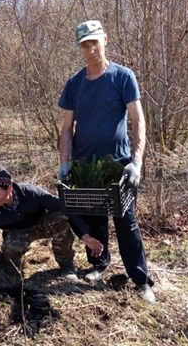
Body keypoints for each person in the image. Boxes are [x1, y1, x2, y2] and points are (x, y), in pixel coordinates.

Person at [57, 20, 155, 303]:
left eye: (94, 43)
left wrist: (136, 162)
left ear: (105, 40)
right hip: (85, 166)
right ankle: (99, 264)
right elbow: (66, 128)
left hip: (118, 164)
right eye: (84, 45)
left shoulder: (123, 77)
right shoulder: (74, 84)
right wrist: (64, 164)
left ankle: (140, 280)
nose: (90, 50)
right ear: (79, 49)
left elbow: (138, 121)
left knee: (126, 222)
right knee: (93, 218)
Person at [0, 166, 101, 303]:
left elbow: (65, 207)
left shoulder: (31, 193)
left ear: (9, 189)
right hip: (18, 233)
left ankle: (66, 264)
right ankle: (14, 266)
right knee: (11, 246)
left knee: (61, 218)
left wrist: (84, 235)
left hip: (41, 224)